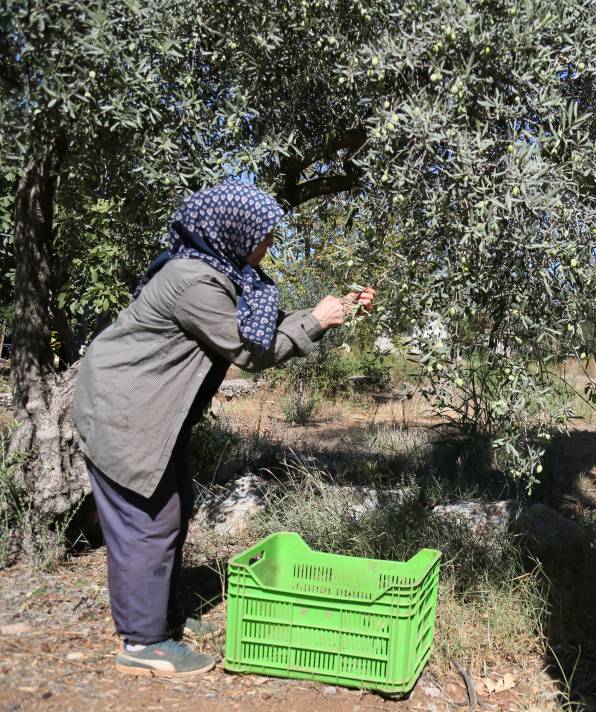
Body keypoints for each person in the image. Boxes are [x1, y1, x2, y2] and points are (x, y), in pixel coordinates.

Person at [73, 181, 374, 677]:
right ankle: (143, 642)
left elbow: (260, 327)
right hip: (122, 411)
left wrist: (328, 313)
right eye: (265, 234)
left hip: (148, 411)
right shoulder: (196, 283)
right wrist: (316, 321)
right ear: (232, 230)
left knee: (173, 508)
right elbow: (251, 351)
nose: (270, 243)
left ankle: (165, 619)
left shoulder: (219, 272)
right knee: (148, 521)